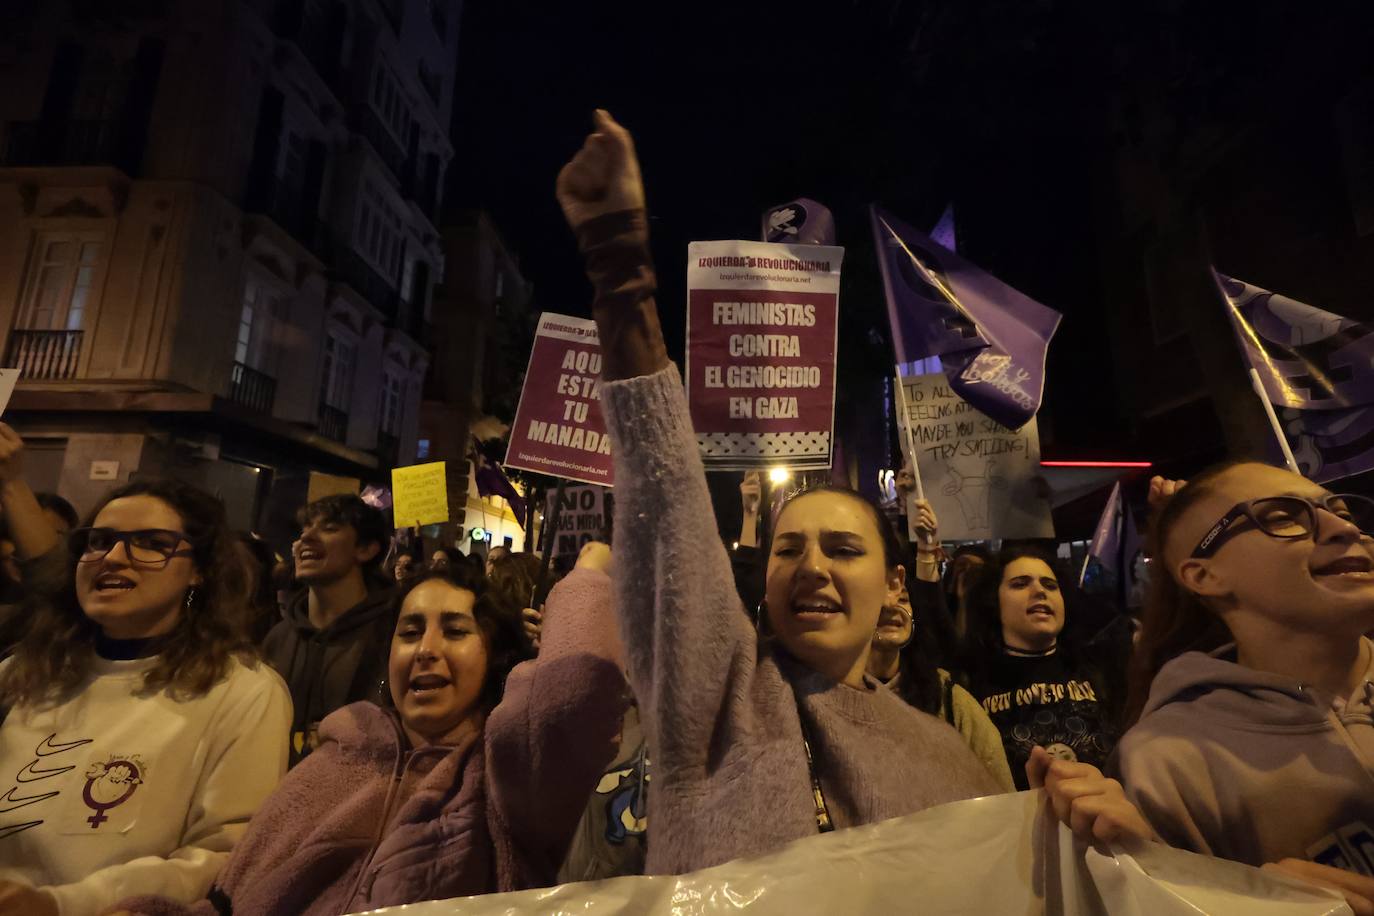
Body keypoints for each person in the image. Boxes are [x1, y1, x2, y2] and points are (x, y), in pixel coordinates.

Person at [555, 109, 1149, 874]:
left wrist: (1086, 841)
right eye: (789, 549)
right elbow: (665, 500)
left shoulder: (947, 752)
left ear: (895, 581)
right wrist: (620, 271)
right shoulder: (706, 705)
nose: (812, 568)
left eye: (843, 549)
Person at [114, 542, 626, 915]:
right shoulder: (331, 763)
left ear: (493, 659)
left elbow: (569, 700)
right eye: (409, 632)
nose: (426, 649)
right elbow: (230, 900)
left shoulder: (506, 776)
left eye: (455, 630)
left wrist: (589, 571)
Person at [0, 474, 290, 916]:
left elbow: (223, 856)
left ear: (200, 570)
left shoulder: (242, 691)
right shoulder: (22, 672)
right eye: (99, 541)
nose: (113, 558)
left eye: (151, 543)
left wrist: (61, 904)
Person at [1116, 465, 1374, 887]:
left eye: (1342, 510)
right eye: (1282, 517)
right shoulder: (1166, 766)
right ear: (1204, 575)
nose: (1344, 528)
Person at [867, 500, 1014, 791]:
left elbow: (999, 794)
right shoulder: (832, 697)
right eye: (875, 596)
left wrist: (925, 546)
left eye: (904, 598)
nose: (892, 605)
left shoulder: (949, 701)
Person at [960, 546, 1122, 789]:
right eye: (1020, 583)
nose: (1039, 591)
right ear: (994, 602)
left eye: (1050, 585)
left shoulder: (1101, 669)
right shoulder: (969, 682)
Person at [262, 494, 395, 763]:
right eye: (304, 529)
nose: (306, 538)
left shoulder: (392, 636)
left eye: (329, 528)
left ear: (367, 549)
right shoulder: (278, 638)